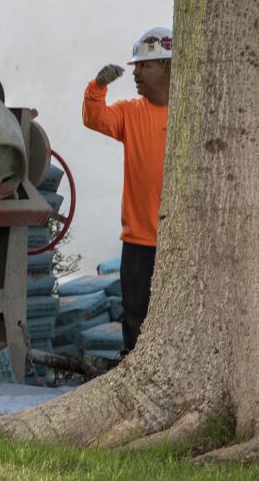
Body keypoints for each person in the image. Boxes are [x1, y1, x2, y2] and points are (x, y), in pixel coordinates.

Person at [82, 27, 172, 355]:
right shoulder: (130, 112)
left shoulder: (188, 114)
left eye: (144, 66)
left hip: (178, 243)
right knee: (135, 315)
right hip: (138, 240)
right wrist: (98, 86)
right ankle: (134, 364)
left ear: (167, 66)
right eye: (135, 66)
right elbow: (94, 118)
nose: (136, 72)